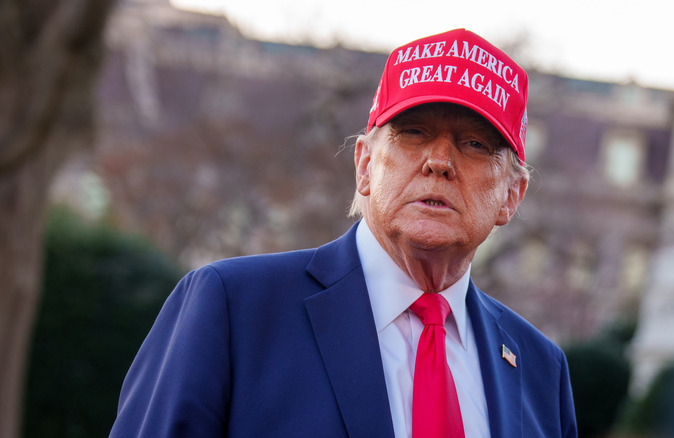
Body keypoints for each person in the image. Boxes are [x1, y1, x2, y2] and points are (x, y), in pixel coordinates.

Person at [109, 28, 577, 438]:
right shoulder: (234, 309)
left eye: (475, 144)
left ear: (512, 195)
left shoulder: (540, 370)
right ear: (366, 165)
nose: (439, 161)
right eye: (413, 132)